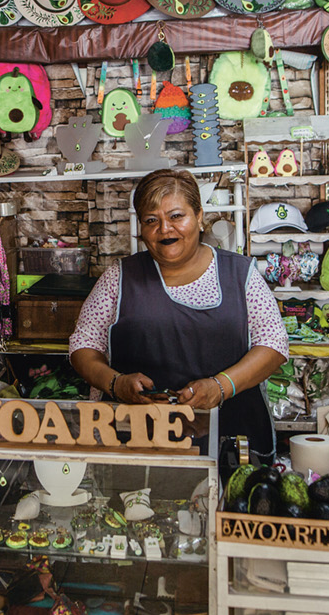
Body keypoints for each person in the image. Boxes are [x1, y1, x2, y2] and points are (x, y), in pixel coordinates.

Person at [69, 168, 288, 462]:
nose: (165, 229)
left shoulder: (240, 273)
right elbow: (82, 346)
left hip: (233, 442)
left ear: (199, 216)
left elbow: (274, 345)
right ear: (141, 228)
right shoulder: (119, 278)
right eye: (151, 220)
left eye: (176, 216)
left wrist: (221, 387)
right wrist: (115, 383)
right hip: (137, 442)